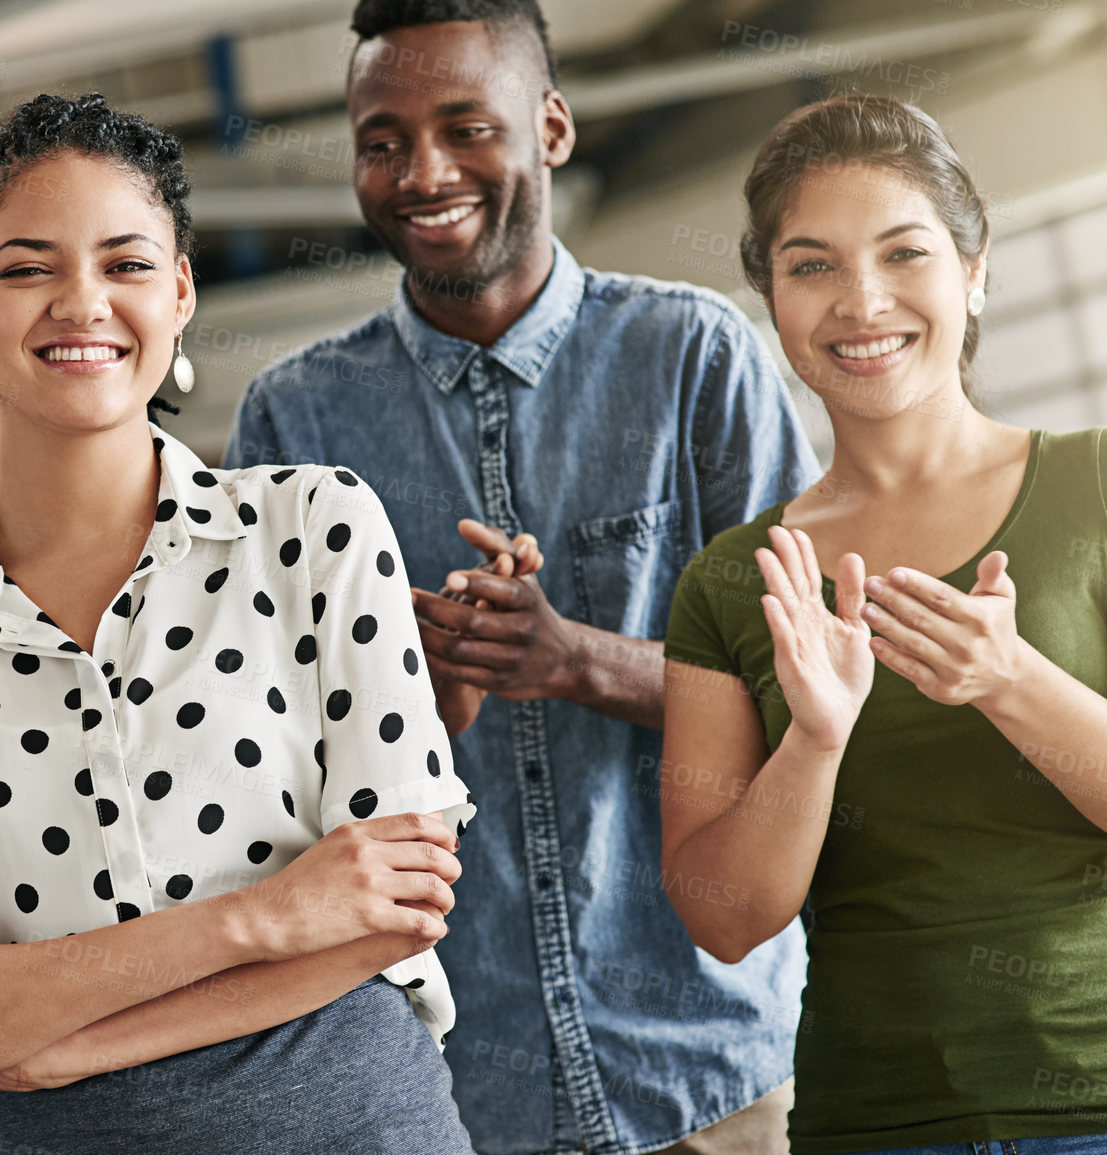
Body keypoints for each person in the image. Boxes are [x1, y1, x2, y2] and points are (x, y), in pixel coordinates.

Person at [0, 92, 479, 1155]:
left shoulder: (314, 530)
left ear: (178, 293)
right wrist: (255, 919)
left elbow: (396, 906)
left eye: (124, 265)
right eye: (27, 268)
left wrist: (52, 1041)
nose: (82, 303)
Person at [226, 2, 821, 1152]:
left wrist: (575, 661)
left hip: (711, 1071)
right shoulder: (292, 419)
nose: (423, 172)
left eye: (465, 127)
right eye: (381, 140)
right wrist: (413, 705)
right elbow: (260, 777)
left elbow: (807, 692)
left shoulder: (695, 359)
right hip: (444, 1099)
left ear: (550, 127)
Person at [661, 93, 1107, 1154]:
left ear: (974, 268)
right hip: (878, 1124)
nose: (863, 303)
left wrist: (1008, 680)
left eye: (905, 254)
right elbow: (724, 916)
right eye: (811, 265)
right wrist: (813, 743)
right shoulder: (732, 582)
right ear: (769, 296)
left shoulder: (1094, 484)